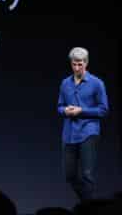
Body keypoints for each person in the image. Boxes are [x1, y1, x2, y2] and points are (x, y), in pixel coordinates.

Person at [57, 47, 109, 201]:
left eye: (80, 64)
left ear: (86, 63)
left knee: (87, 174)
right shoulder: (65, 83)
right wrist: (65, 110)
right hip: (69, 133)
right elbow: (59, 106)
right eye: (74, 64)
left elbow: (103, 110)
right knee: (69, 174)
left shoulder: (97, 83)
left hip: (88, 132)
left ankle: (88, 207)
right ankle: (88, 202)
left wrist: (81, 111)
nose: (77, 68)